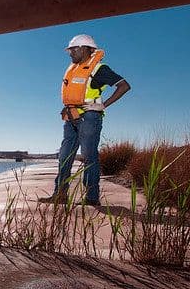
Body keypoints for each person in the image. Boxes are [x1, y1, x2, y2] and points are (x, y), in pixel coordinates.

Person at [39, 34, 131, 206]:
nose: (70, 53)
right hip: (71, 117)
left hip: (89, 118)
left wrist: (103, 105)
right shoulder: (73, 68)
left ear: (84, 49)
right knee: (64, 156)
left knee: (89, 157)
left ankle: (91, 198)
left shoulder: (99, 69)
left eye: (73, 49)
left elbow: (124, 86)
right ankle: (60, 195)